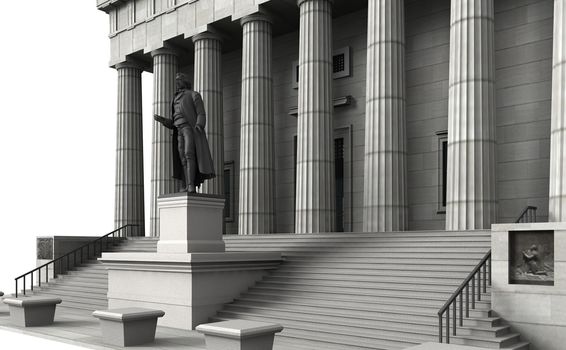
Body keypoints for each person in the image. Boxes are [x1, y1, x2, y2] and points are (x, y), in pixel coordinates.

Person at [154, 73, 215, 193]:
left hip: (189, 128)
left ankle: (191, 184)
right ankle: (187, 183)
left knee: (189, 153)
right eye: (176, 80)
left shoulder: (193, 95)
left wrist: (199, 124)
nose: (177, 82)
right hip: (178, 130)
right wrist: (163, 121)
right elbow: (173, 121)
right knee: (182, 157)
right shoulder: (174, 98)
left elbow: (201, 113)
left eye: (179, 80)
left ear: (185, 81)